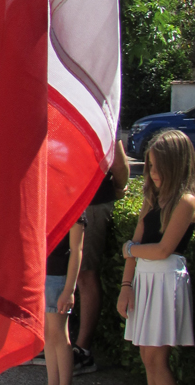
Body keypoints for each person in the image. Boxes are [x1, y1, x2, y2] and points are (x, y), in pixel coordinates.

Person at [117, 129, 195, 385]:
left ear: (176, 165)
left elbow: (163, 249)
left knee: (155, 359)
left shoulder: (186, 201)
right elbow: (138, 239)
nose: (153, 172)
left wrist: (130, 250)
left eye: (159, 166)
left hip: (166, 282)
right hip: (143, 279)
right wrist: (126, 286)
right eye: (150, 165)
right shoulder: (152, 198)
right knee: (146, 356)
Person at [74, 137, 130, 374]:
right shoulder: (99, 101)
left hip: (89, 200)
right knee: (71, 273)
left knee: (83, 274)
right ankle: (62, 342)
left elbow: (118, 163)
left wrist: (117, 186)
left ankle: (82, 350)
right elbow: (120, 167)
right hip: (72, 198)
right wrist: (118, 186)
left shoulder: (102, 105)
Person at [44, 214, 86, 385]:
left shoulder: (75, 210)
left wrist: (69, 289)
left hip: (58, 278)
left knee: (59, 334)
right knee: (47, 334)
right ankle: (53, 381)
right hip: (42, 274)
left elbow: (77, 251)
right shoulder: (45, 204)